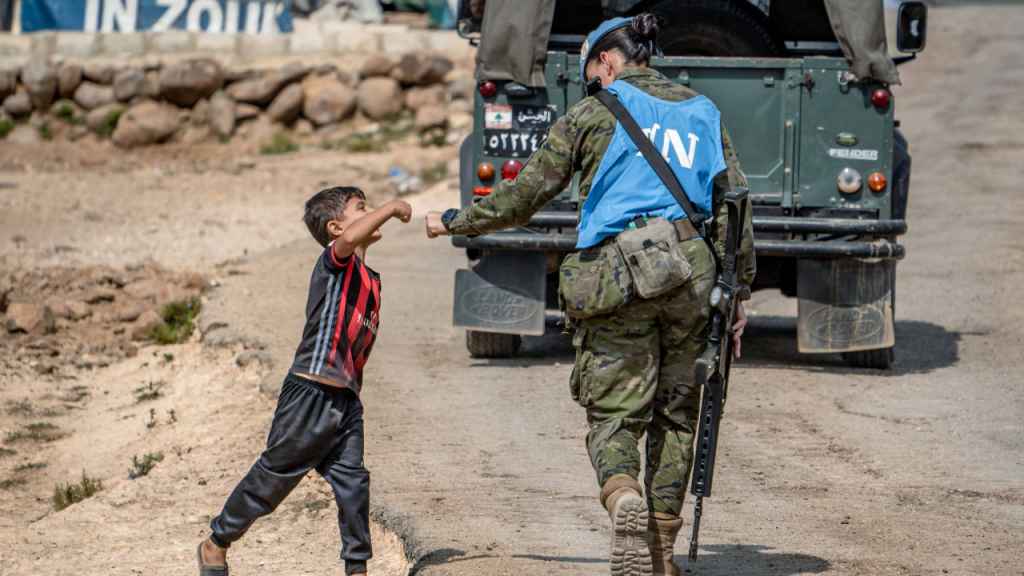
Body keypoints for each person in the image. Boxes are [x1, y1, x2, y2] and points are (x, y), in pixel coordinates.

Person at [425, 14, 755, 576]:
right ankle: (661, 553)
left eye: (591, 71)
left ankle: (623, 494)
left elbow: (526, 193)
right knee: (677, 416)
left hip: (617, 272)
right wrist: (737, 290)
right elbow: (734, 205)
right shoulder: (703, 113)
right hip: (690, 274)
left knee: (614, 412)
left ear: (607, 62)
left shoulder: (592, 113)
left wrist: (458, 222)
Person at [196, 187, 412, 576]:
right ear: (335, 227)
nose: (372, 213)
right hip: (310, 391)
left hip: (346, 399)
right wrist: (393, 207)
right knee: (275, 479)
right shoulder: (334, 264)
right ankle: (216, 542)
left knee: (353, 485)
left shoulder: (368, 278)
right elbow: (349, 240)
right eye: (362, 209)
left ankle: (357, 568)